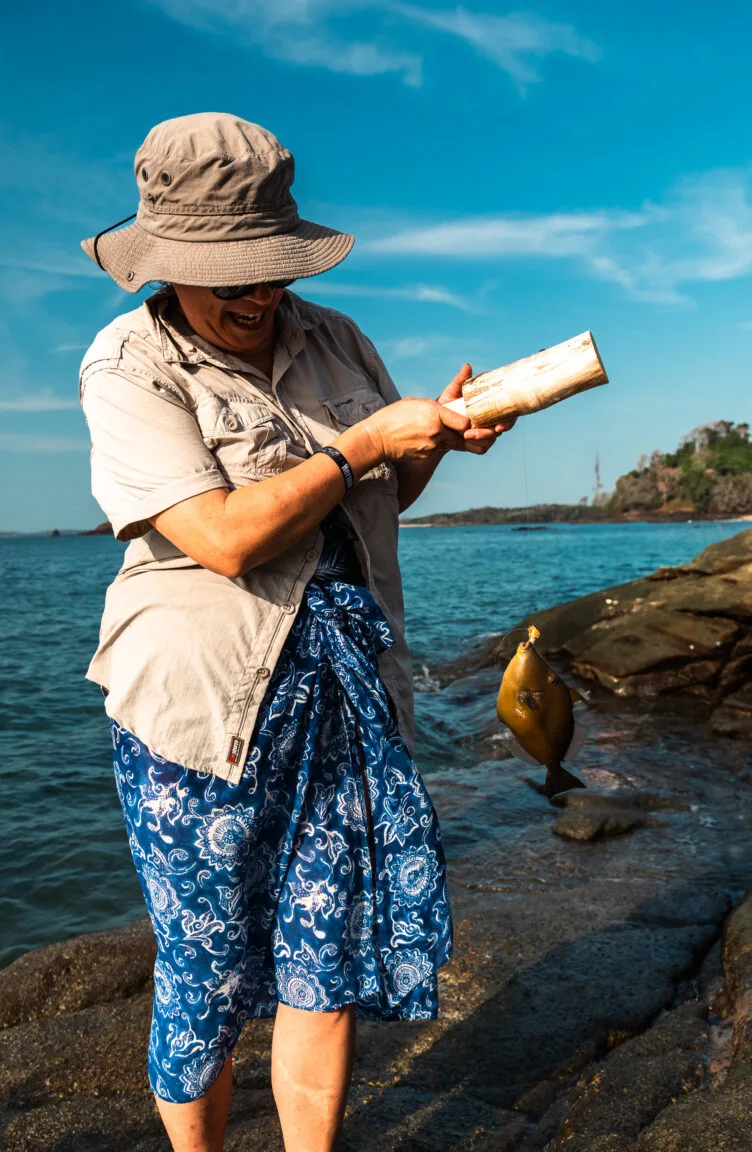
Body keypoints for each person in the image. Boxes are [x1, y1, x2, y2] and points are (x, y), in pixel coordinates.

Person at [78, 112, 514, 1152]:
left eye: (268, 269)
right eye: (229, 277)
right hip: (202, 720)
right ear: (168, 264)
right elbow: (224, 539)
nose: (258, 294)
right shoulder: (130, 363)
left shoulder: (337, 339)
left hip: (346, 694)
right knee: (206, 976)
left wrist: (438, 438)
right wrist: (365, 441)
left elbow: (378, 498)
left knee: (325, 958)